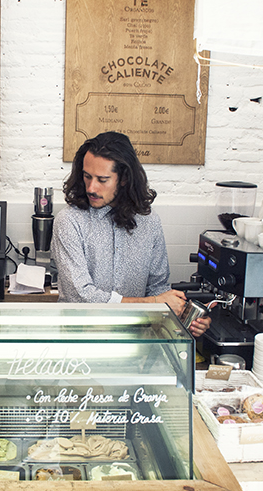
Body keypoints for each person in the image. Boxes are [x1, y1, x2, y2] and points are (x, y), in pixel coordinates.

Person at [51, 131, 211, 338]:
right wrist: (154, 302)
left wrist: (184, 315)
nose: (91, 187)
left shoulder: (149, 222)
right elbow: (80, 296)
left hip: (136, 341)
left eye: (103, 179)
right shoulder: (69, 221)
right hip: (80, 339)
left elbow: (157, 288)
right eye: (87, 176)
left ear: (125, 178)